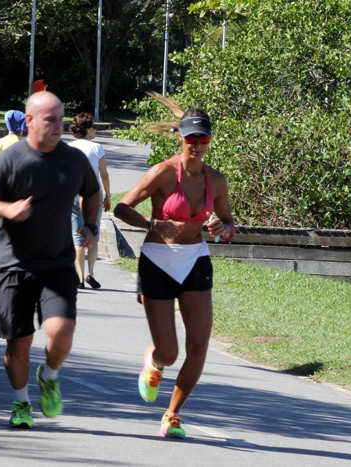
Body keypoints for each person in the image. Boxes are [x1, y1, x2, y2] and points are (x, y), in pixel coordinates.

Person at [0, 91, 101, 429]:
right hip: (13, 263)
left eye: (61, 119)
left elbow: (93, 191)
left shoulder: (73, 159)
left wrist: (90, 225)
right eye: (50, 120)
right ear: (29, 121)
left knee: (62, 330)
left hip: (57, 262)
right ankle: (21, 402)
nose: (58, 126)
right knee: (19, 342)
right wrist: (7, 209)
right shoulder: (11, 159)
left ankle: (50, 375)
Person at [113, 109, 234, 439]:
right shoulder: (163, 173)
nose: (196, 144)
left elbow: (228, 224)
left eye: (203, 138)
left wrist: (222, 227)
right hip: (158, 261)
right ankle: (154, 360)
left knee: (199, 345)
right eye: (191, 138)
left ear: (209, 140)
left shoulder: (216, 180)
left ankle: (173, 414)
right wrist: (152, 223)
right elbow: (121, 207)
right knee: (170, 352)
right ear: (181, 137)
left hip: (195, 258)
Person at [68, 113, 111, 289]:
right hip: (93, 194)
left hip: (73, 193)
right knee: (92, 234)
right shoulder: (97, 148)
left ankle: (78, 277)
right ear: (87, 130)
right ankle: (90, 274)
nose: (95, 131)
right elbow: (104, 174)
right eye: (94, 127)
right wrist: (108, 195)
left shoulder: (68, 148)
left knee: (78, 236)